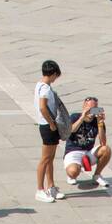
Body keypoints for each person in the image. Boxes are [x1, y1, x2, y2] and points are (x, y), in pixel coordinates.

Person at [63, 96, 111, 188]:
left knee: (106, 149)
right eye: (89, 109)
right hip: (73, 152)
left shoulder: (97, 121)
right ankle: (75, 170)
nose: (91, 113)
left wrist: (100, 123)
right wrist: (82, 118)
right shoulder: (74, 117)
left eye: (94, 110)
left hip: (88, 153)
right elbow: (71, 130)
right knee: (73, 173)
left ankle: (97, 175)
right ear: (84, 107)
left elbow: (103, 143)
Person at [35, 59, 65, 203]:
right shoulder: (46, 88)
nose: (55, 79)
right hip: (47, 126)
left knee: (50, 158)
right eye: (56, 76)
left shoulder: (39, 84)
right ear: (53, 74)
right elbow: (42, 107)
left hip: (46, 125)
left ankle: (51, 186)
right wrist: (52, 123)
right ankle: (40, 189)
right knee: (45, 159)